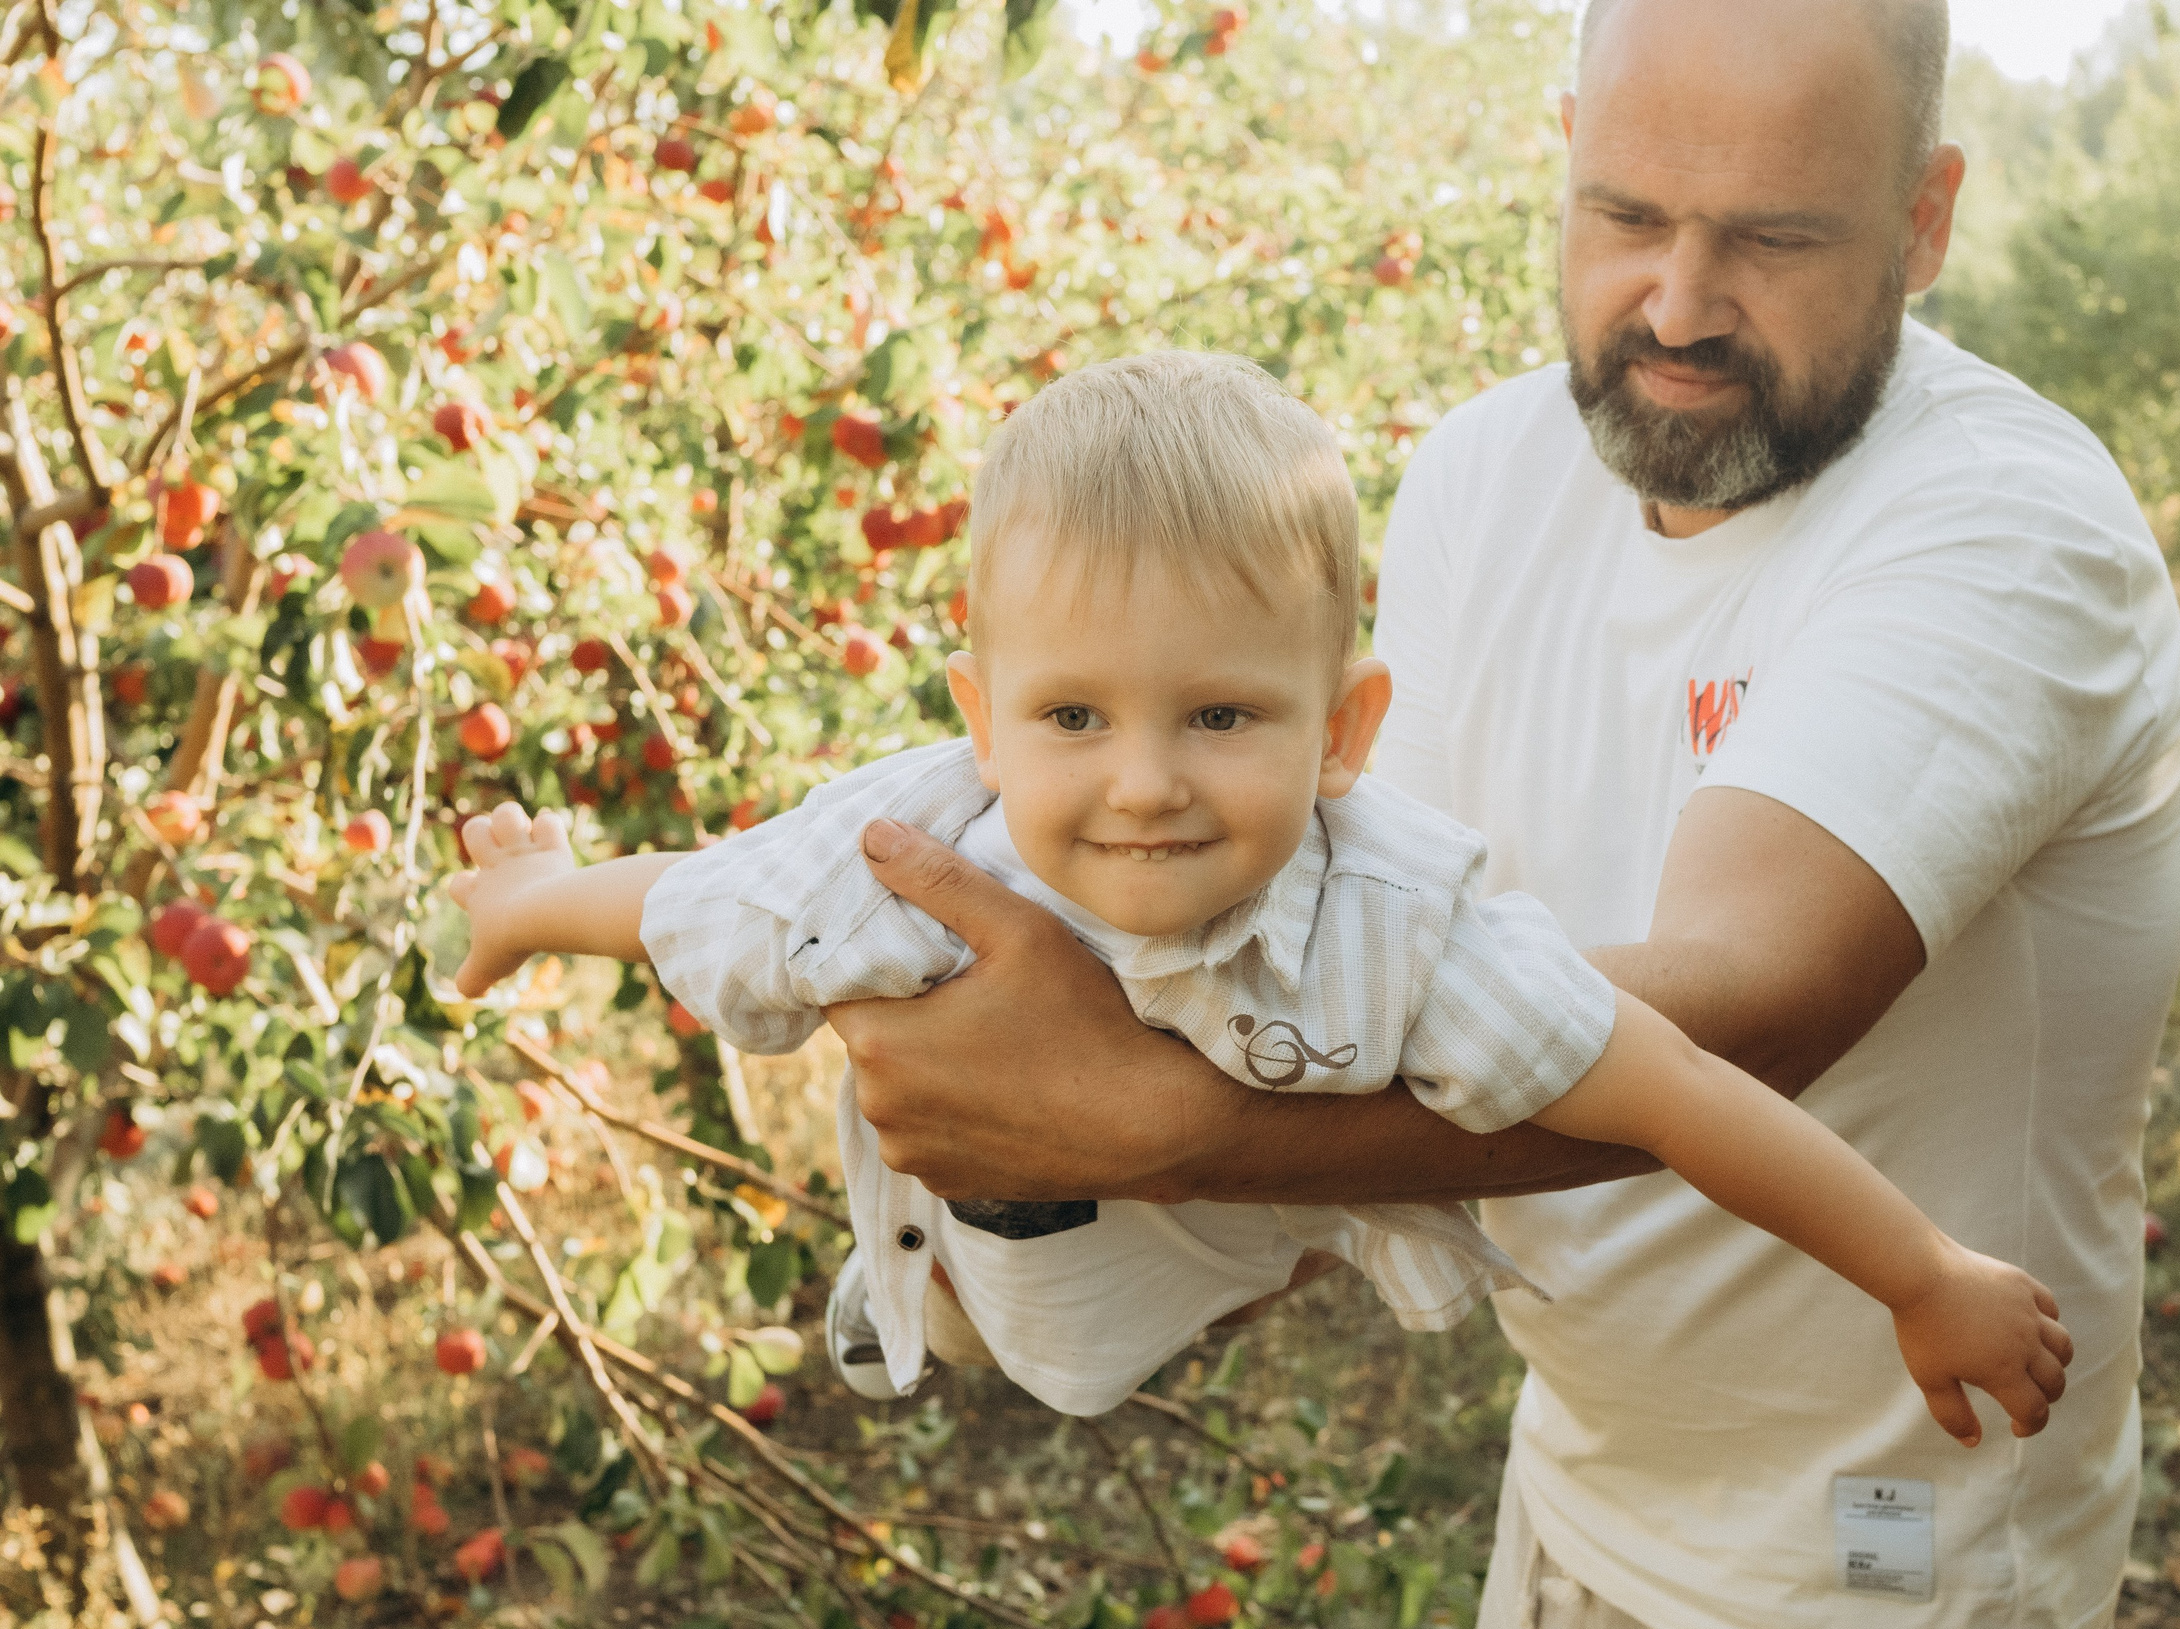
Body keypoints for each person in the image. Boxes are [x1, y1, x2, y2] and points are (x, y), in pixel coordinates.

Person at [808, 0, 2180, 1629]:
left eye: (1771, 238)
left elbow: (1739, 1006)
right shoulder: (1488, 472)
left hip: (1876, 1581)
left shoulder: (2000, 524)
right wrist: (1043, 1161)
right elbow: (1357, 956)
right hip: (1582, 1494)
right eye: (1625, 217)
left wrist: (1147, 1117)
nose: (1677, 307)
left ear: (1925, 219)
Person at [448, 350, 2071, 1435]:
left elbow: (1683, 1096)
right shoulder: (930, 850)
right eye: (1072, 718)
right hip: (1003, 1275)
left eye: (1220, 717)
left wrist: (1921, 1275)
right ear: (981, 720)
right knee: (959, 1300)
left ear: (1347, 732)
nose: (1142, 781)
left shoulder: (1402, 923)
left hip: (1215, 1251)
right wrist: (530, 900)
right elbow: (704, 896)